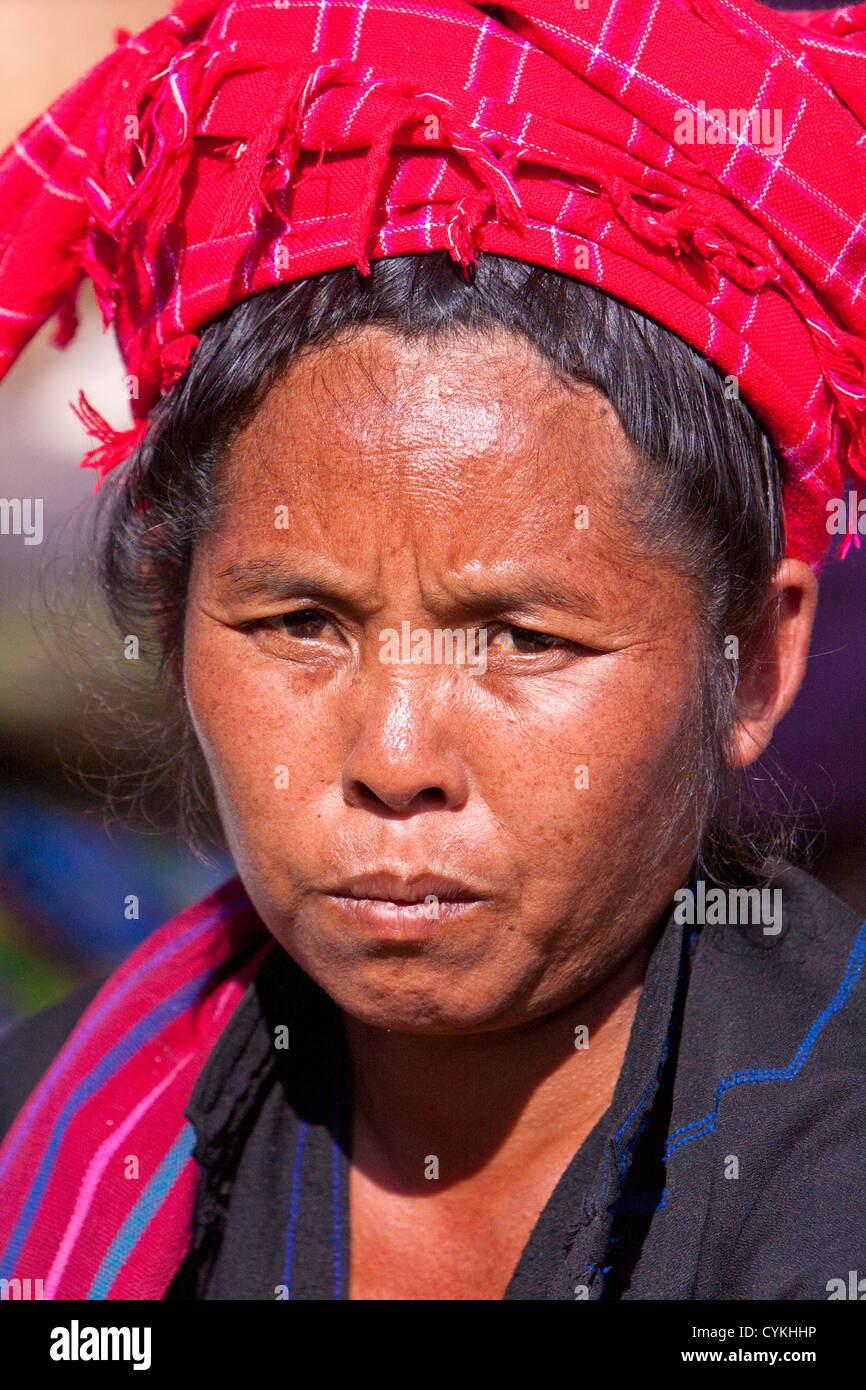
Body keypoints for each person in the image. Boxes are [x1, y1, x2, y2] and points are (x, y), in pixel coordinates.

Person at [0, 0, 865, 1301]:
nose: (393, 758)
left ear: (747, 657)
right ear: (174, 615)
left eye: (520, 635)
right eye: (300, 625)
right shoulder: (49, 1139)